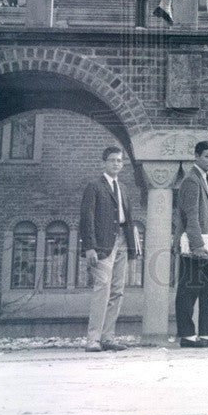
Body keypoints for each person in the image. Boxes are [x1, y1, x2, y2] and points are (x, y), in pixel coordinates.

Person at [79, 146, 140, 352]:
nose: (116, 164)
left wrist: (132, 247)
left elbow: (129, 219)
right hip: (102, 244)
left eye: (120, 161)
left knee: (117, 291)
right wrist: (89, 247)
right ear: (103, 163)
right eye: (112, 160)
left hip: (122, 239)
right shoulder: (94, 186)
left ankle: (108, 337)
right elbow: (86, 218)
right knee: (102, 289)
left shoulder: (123, 188)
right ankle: (93, 339)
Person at [174, 140, 208, 348]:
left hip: (206, 245)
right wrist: (197, 245)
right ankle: (187, 337)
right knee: (189, 288)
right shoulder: (191, 180)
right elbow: (191, 215)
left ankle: (207, 335)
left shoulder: (203, 179)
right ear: (196, 156)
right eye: (207, 156)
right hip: (196, 246)